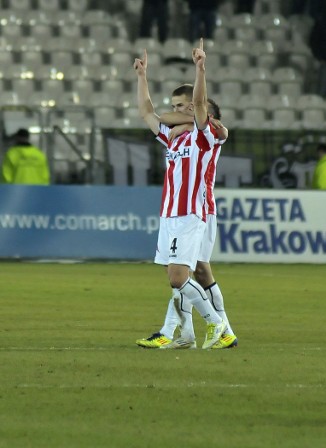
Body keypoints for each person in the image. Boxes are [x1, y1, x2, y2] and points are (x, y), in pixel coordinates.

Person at [132, 40, 227, 349]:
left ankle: (219, 326)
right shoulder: (171, 138)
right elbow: (147, 112)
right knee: (181, 275)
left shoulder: (204, 135)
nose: (171, 112)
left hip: (192, 212)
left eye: (178, 107)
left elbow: (200, 108)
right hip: (170, 213)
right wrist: (141, 77)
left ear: (189, 108)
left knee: (181, 275)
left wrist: (201, 69)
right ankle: (183, 334)